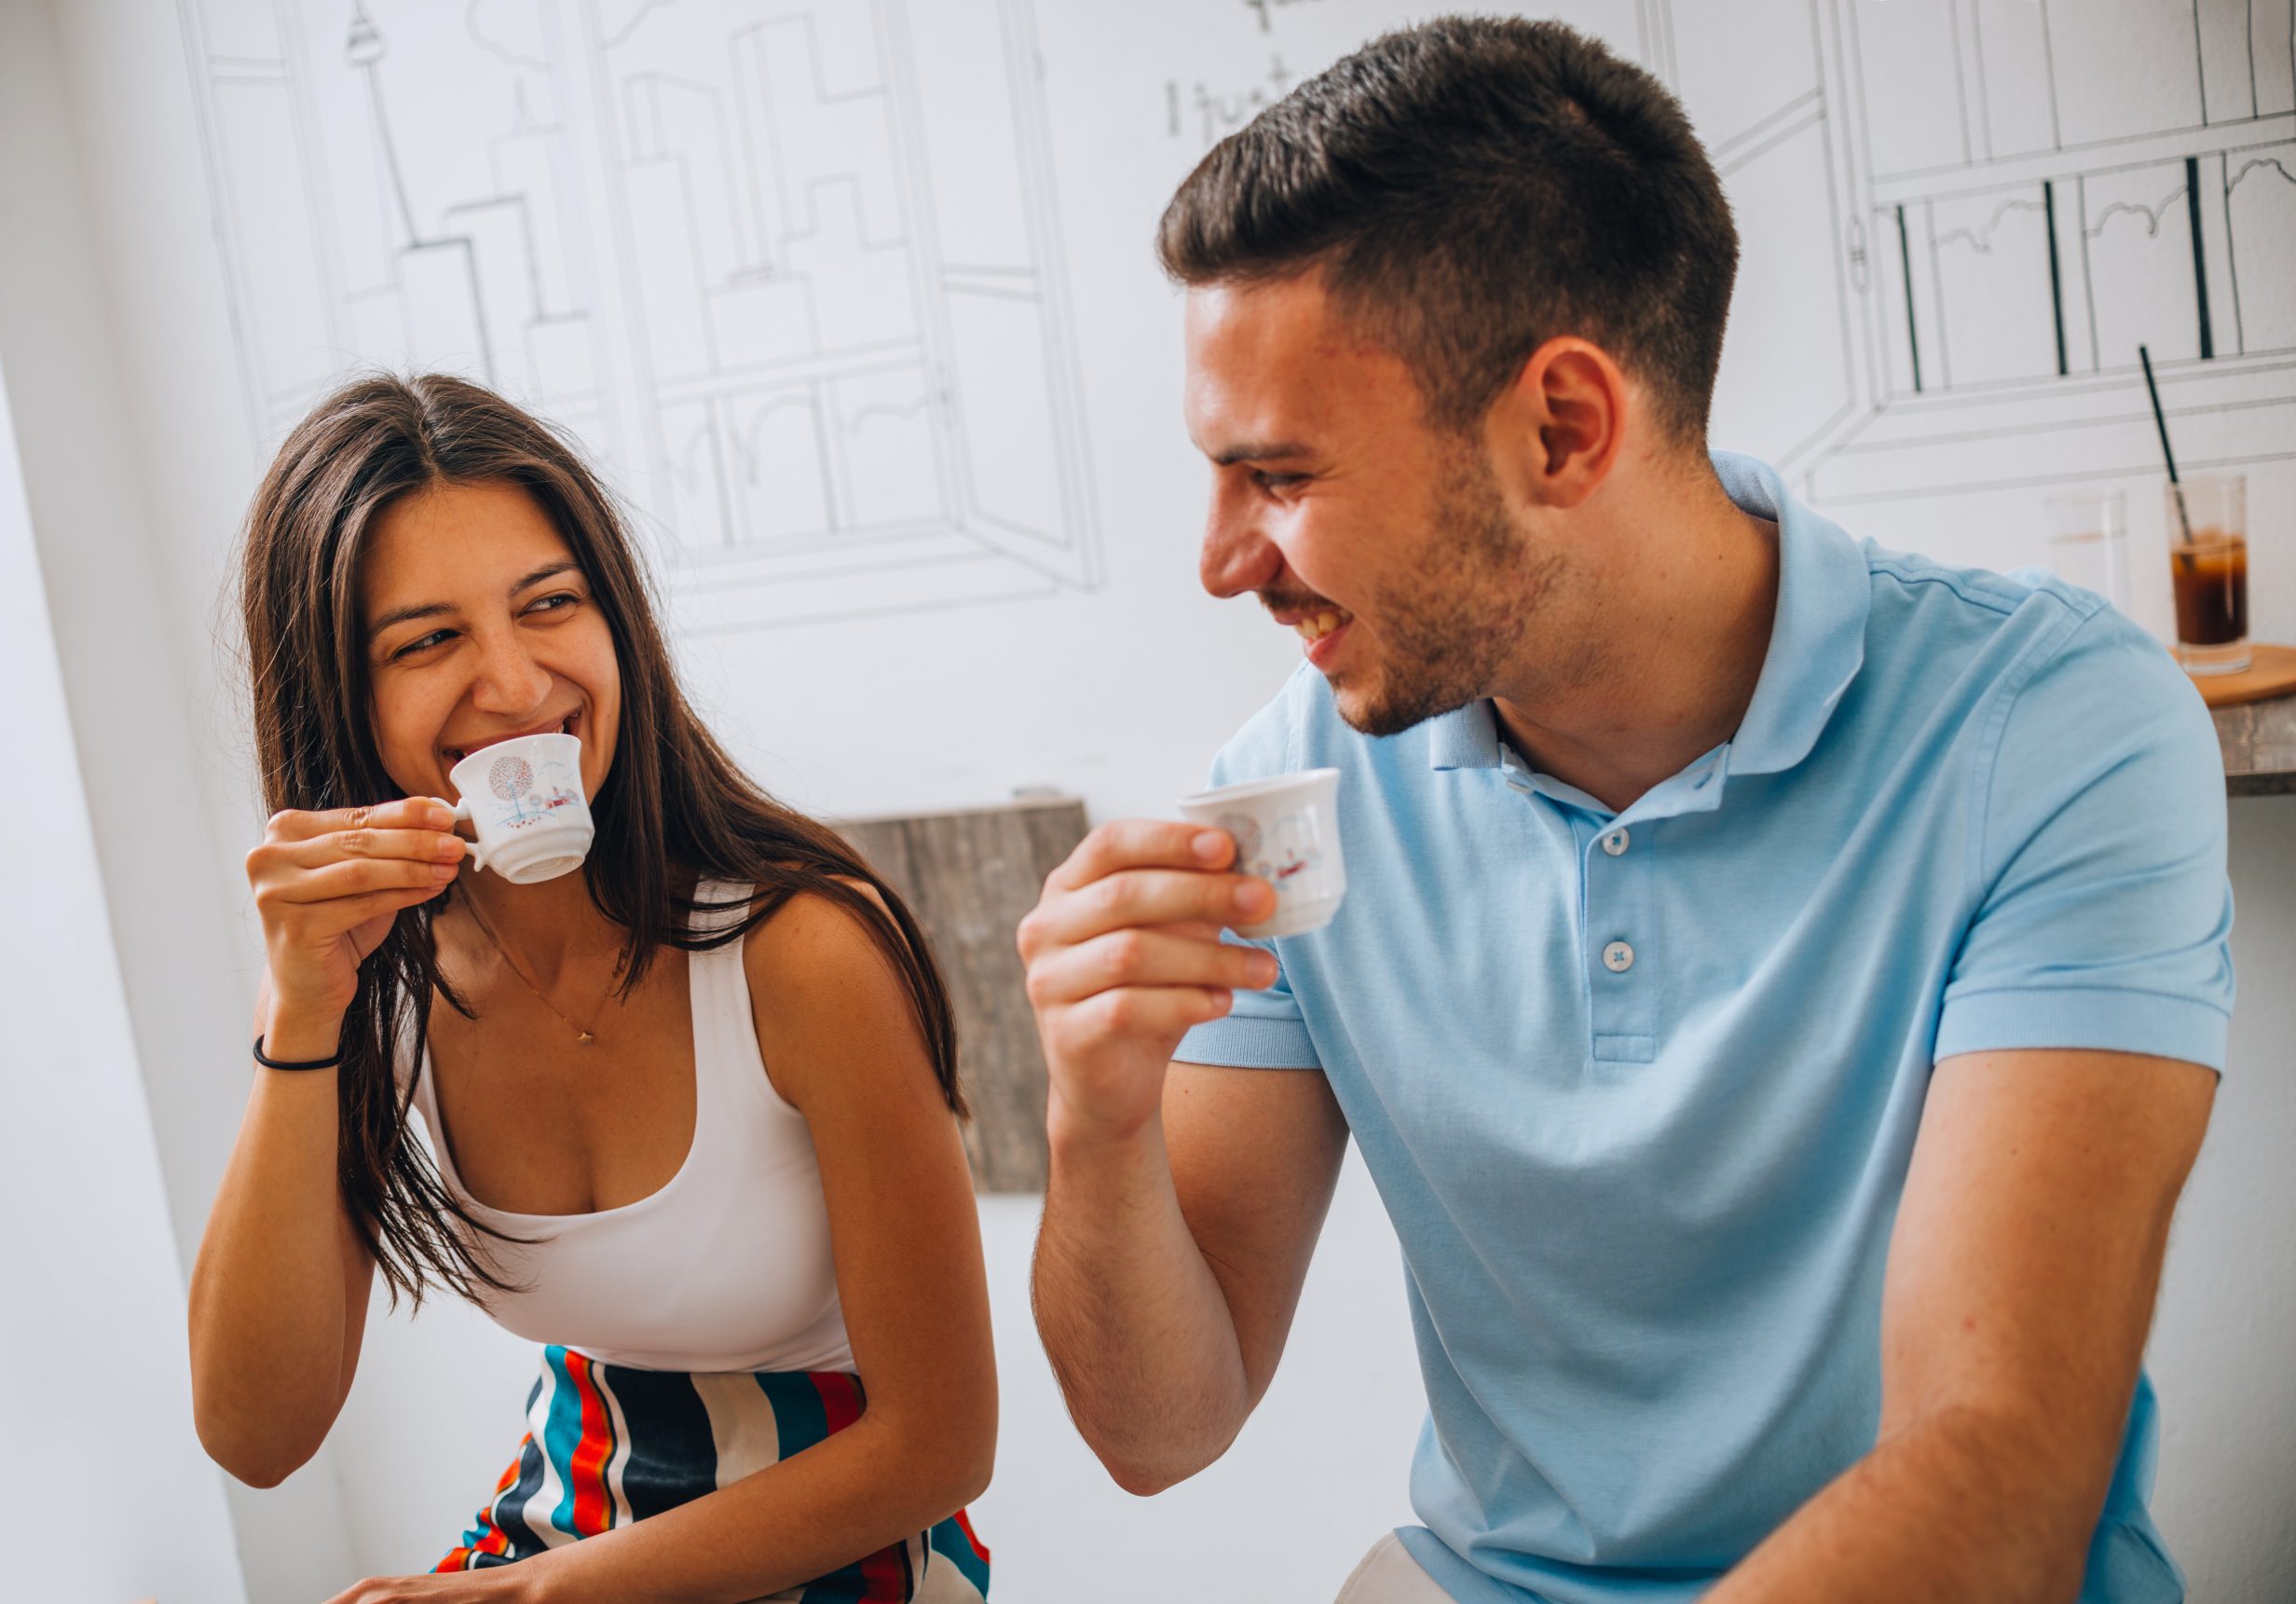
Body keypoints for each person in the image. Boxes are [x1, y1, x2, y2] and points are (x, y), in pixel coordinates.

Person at [1019, 18, 2230, 1604]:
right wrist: (1095, 1126)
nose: (1223, 559)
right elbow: (1156, 1431)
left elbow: (1996, 1469)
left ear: (1563, 427)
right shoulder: (1300, 786)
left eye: (1285, 476)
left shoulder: (2054, 730)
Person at [189, 374, 994, 1603]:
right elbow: (256, 1435)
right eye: (428, 640)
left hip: (848, 1533)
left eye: (548, 605)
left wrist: (530, 1597)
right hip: (580, 1497)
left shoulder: (805, 949)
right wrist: (299, 1008)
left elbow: (940, 1445)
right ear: (341, 700)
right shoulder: (359, 976)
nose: (514, 685)